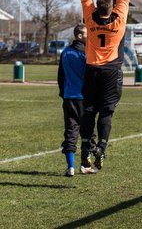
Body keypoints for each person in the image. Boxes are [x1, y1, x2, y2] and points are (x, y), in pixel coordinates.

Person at [80, 0, 129, 171]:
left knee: (89, 108)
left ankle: (85, 148)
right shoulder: (118, 21)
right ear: (112, 7)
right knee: (106, 111)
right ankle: (101, 147)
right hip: (111, 71)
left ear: (97, 8)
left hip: (91, 69)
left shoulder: (89, 19)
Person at [58, 24, 96, 176]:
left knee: (70, 130)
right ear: (79, 36)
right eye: (88, 34)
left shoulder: (65, 52)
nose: (90, 37)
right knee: (89, 132)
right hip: (83, 98)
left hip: (69, 97)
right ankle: (84, 165)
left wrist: (63, 93)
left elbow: (61, 76)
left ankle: (71, 167)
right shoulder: (87, 53)